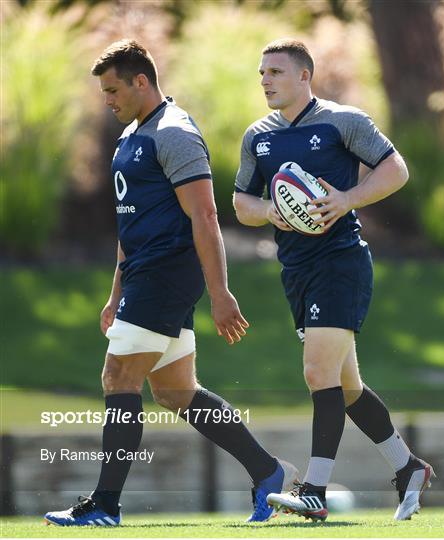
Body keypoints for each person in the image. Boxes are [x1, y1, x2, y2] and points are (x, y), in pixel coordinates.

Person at [44, 39, 297, 527]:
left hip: (166, 274)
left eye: (114, 89)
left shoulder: (175, 133)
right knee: (176, 392)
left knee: (118, 377)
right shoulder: (130, 137)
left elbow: (205, 215)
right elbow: (129, 223)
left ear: (143, 81)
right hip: (142, 274)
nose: (108, 100)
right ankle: (267, 472)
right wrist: (114, 294)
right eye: (103, 91)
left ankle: (104, 505)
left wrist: (221, 294)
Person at [233, 38, 435, 522]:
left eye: (276, 72)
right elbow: (243, 203)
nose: (266, 80)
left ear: (305, 75)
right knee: (346, 388)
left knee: (317, 374)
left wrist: (346, 199)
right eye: (262, 73)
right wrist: (270, 211)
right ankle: (407, 468)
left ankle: (314, 492)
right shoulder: (256, 135)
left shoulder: (343, 121)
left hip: (340, 262)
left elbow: (396, 169)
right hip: (296, 271)